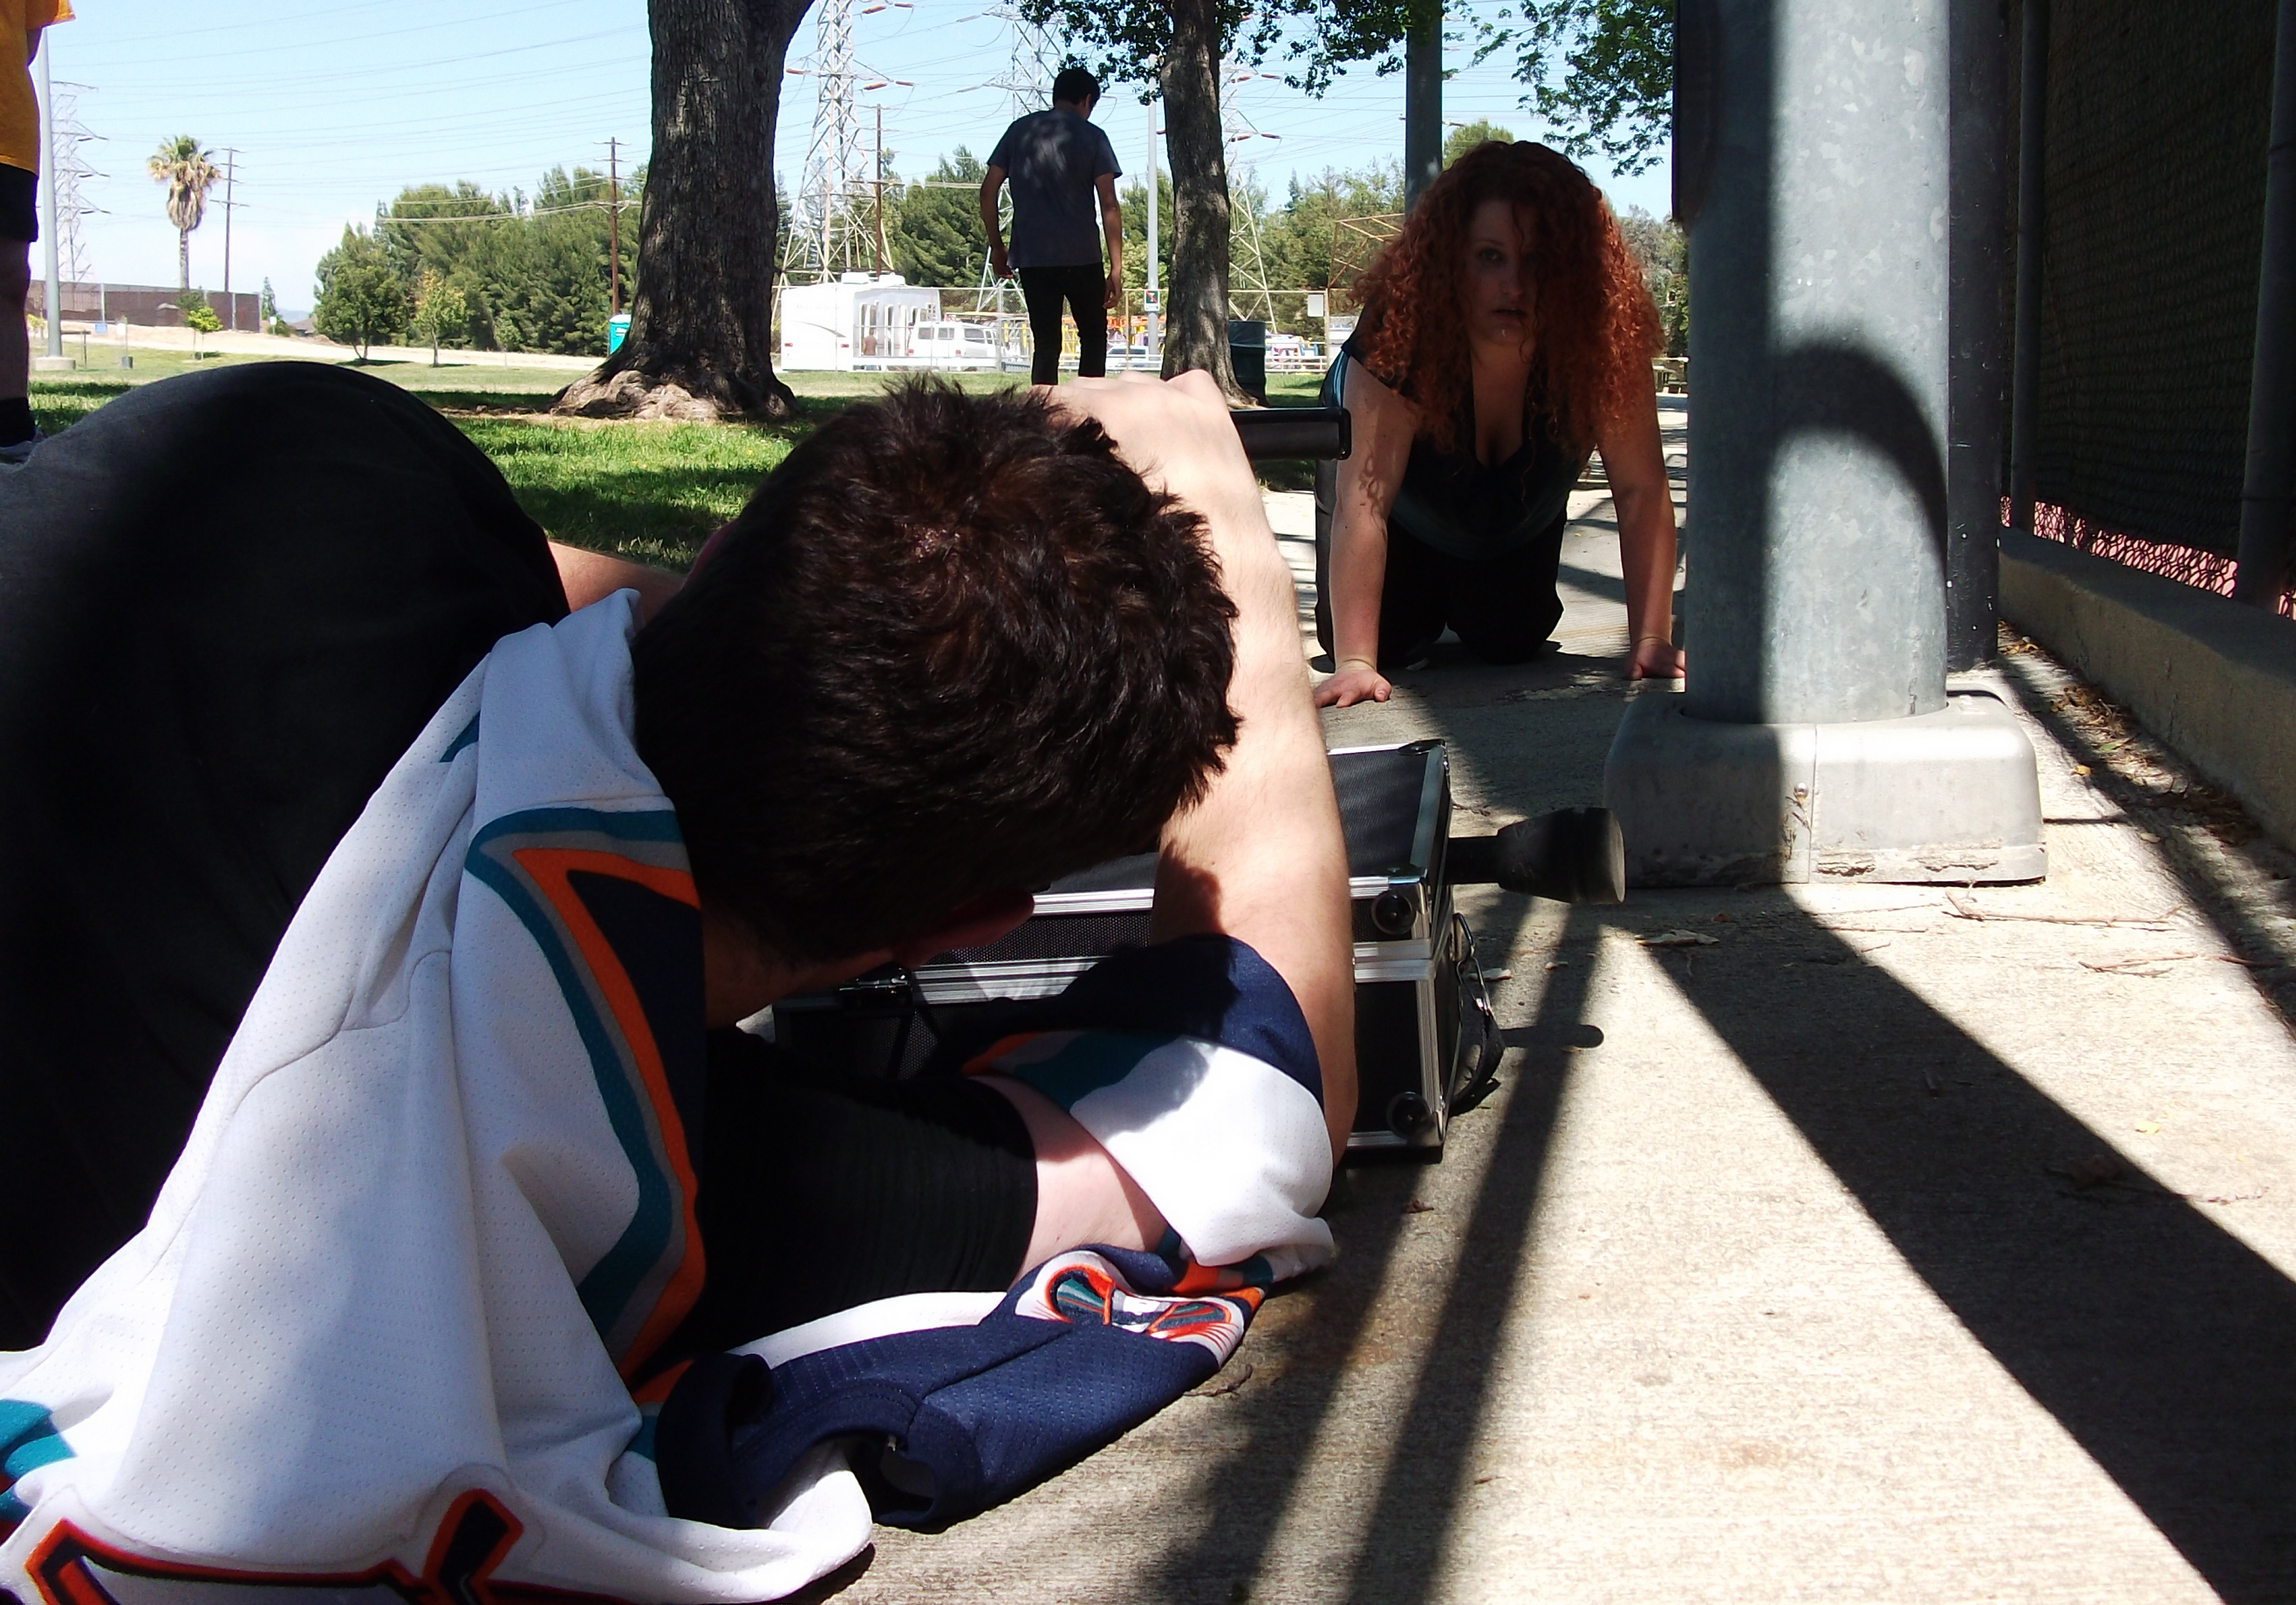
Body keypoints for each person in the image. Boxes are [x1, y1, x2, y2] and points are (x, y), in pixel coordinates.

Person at [0, 365, 1352, 1592]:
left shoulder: (310, 462)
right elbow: (1268, 1098)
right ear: (970, 927)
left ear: (713, 557)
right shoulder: (674, 1184)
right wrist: (1236, 552)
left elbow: (608, 636)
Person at [1312, 141, 1681, 707]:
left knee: (1512, 639)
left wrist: (1652, 638)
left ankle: (1473, 597)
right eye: (1490, 257)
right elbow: (1364, 508)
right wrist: (1356, 663)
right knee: (1381, 642)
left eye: (1535, 261)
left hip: (1512, 515)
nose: (1514, 285)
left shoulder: (1604, 339)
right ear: (1451, 260)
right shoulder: (1400, 333)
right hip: (1399, 507)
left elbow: (1640, 491)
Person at [981, 65, 1125, 386]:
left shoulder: (1019, 131)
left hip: (1033, 257)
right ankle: (1090, 416)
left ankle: (1042, 422)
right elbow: (1109, 204)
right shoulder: (1093, 136)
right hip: (1082, 257)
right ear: (1087, 100)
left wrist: (997, 246)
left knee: (1046, 344)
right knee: (1093, 338)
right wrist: (1116, 267)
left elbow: (988, 190)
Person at [0, 0, 72, 466]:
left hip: (8, 133)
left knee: (6, 286)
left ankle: (8, 430)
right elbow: (27, 42)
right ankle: (9, 432)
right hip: (8, 128)